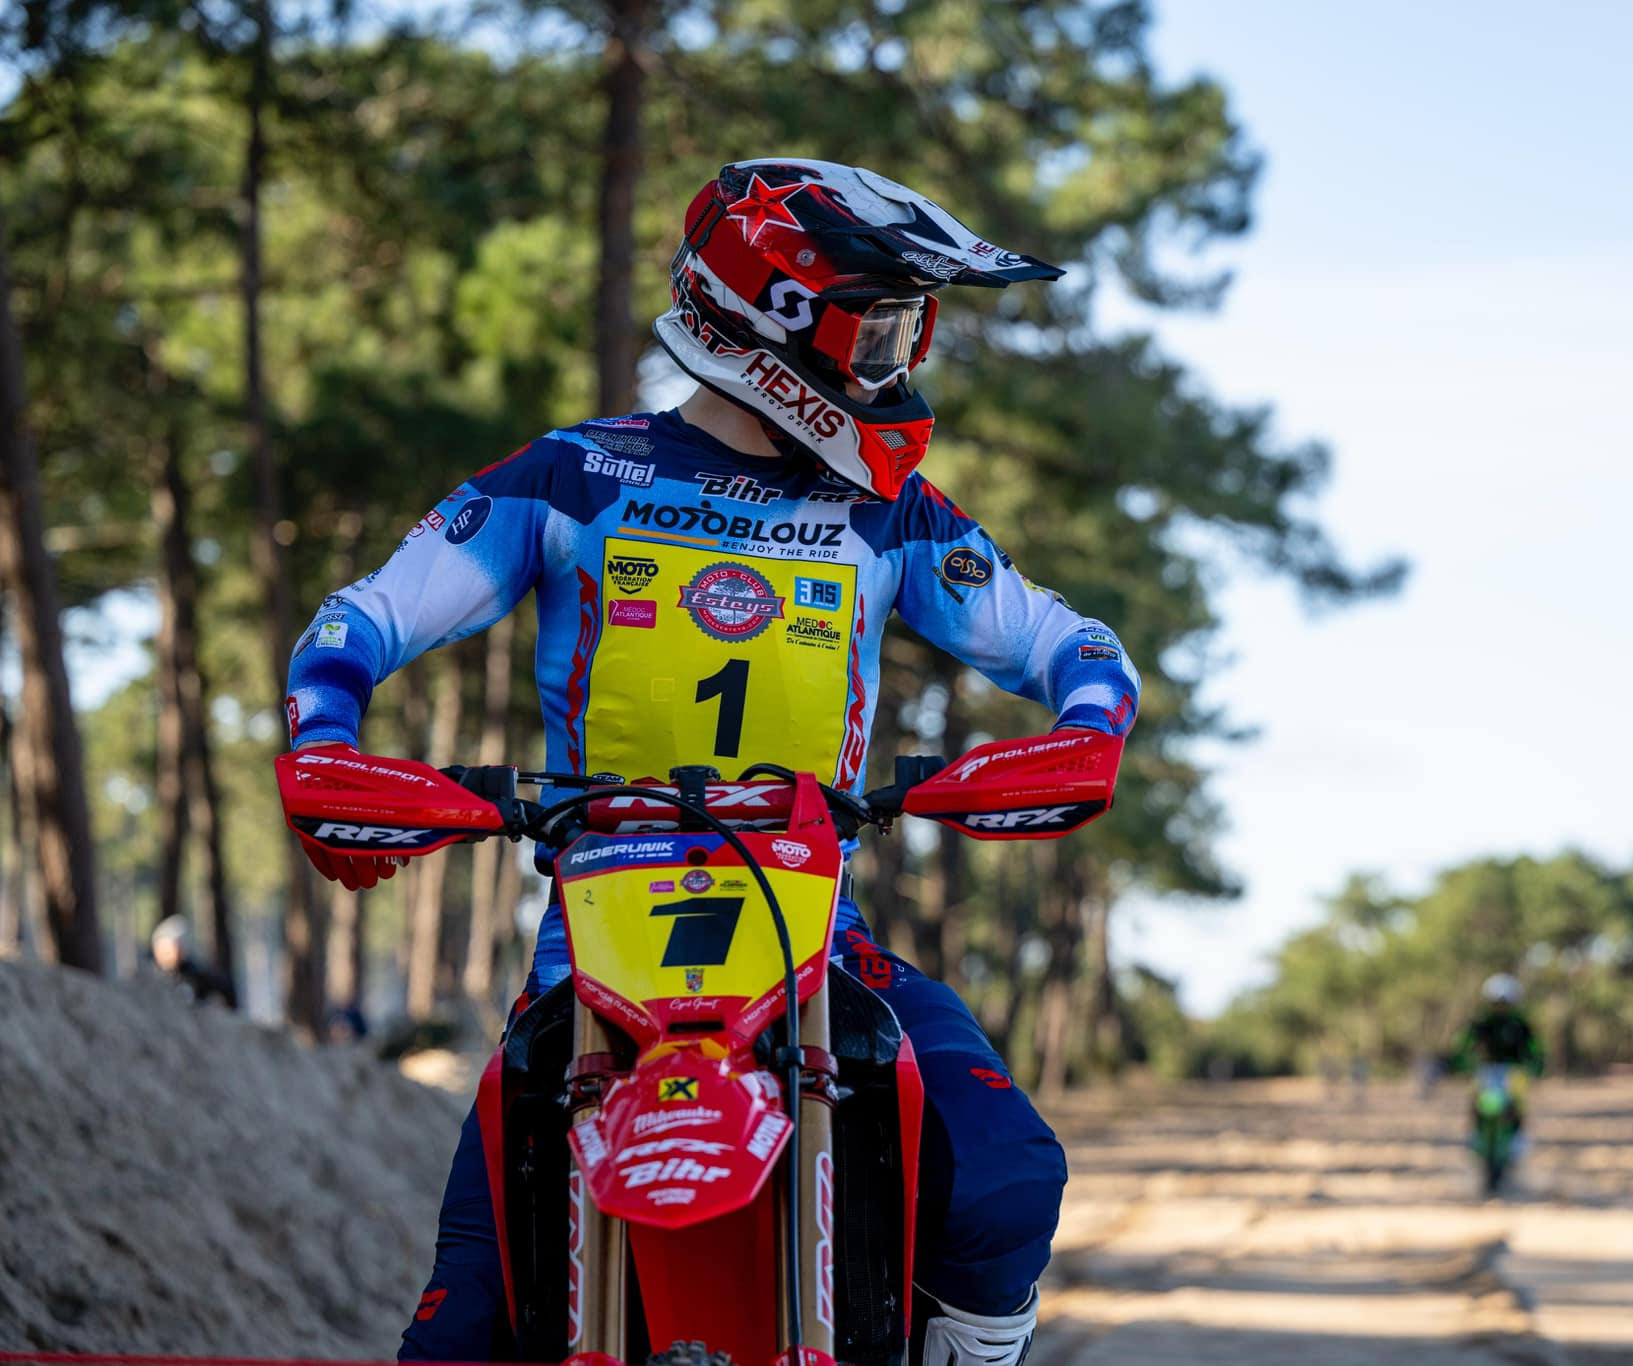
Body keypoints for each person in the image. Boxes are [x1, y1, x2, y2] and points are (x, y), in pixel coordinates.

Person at [279, 158, 1139, 1366]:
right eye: (881, 329)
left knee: (1005, 1182)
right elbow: (360, 618)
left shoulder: (891, 513)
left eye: (907, 329)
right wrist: (325, 747)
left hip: (814, 937)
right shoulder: (573, 475)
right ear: (777, 315)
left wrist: (1088, 726)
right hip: (591, 955)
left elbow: (1071, 644)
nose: (898, 362)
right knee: (461, 1327)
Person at [1442, 973, 1546, 1146]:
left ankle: (1517, 1135)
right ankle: (1476, 1132)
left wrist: (1537, 1063)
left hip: (1514, 1071)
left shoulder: (1520, 1025)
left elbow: (1534, 1047)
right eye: (1497, 1002)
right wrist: (1459, 1060)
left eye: (1504, 1002)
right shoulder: (1482, 1022)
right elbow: (1464, 1042)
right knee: (1477, 1098)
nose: (1501, 1006)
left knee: (1516, 1102)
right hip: (1487, 1070)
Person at [148, 915, 235, 1005]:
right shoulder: (147, 973)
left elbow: (224, 989)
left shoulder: (195, 975)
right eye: (167, 948)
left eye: (179, 946)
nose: (175, 952)